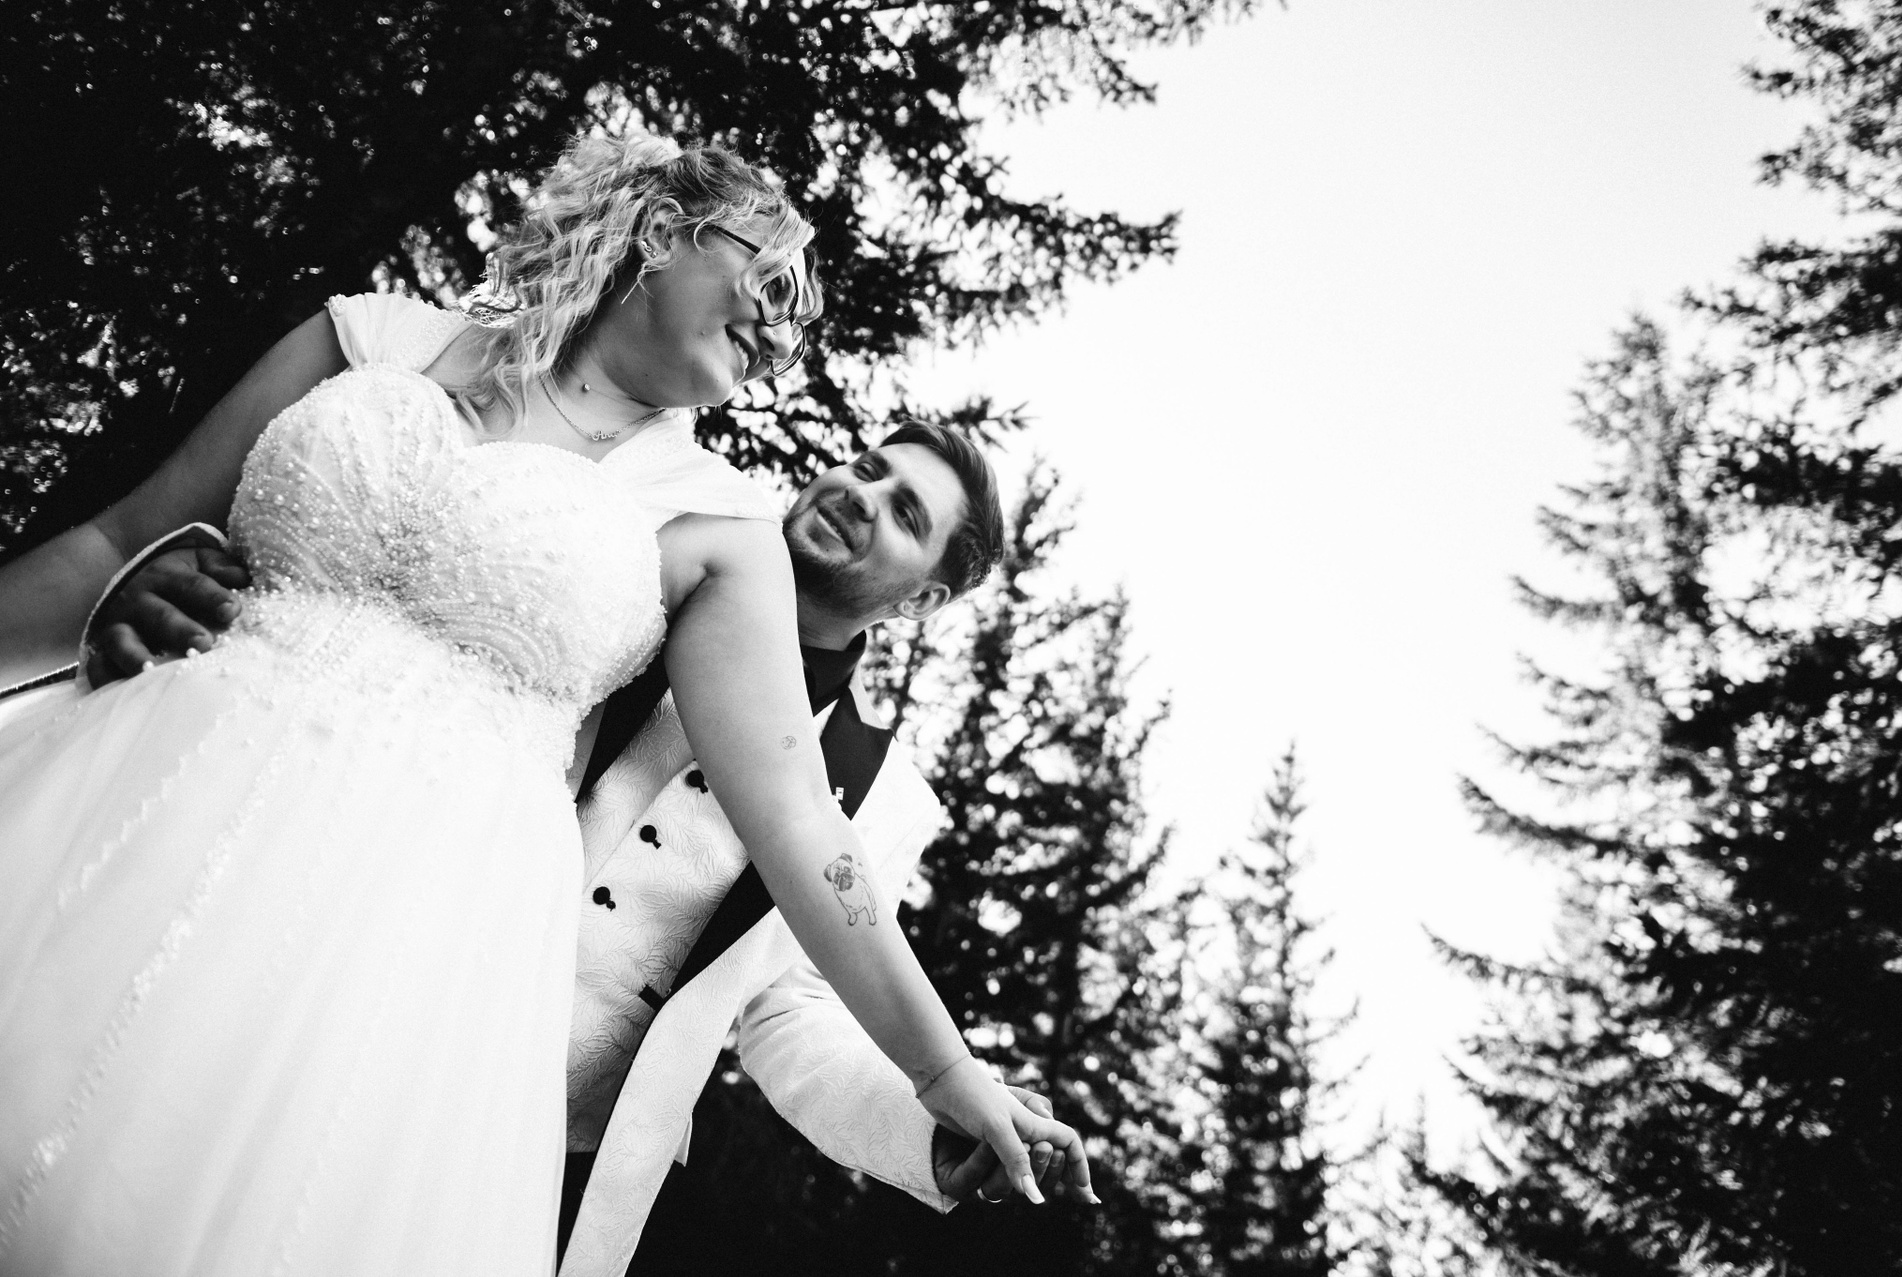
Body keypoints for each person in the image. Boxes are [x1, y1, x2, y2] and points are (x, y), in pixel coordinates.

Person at [0, 129, 1089, 1277]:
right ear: (662, 232)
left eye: (908, 513)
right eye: (771, 282)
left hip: (395, 978)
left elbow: (799, 834)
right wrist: (131, 589)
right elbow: (121, 538)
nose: (781, 332)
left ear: (926, 598)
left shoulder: (715, 528)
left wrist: (942, 1072)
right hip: (154, 794)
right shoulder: (371, 339)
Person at [85, 423, 1081, 1277]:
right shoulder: (617, 577)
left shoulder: (887, 799)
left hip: (539, 1160)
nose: (861, 493)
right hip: (348, 1004)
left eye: (904, 511)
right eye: (867, 466)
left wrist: (927, 1118)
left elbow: (788, 1013)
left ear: (922, 602)